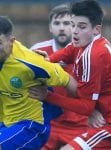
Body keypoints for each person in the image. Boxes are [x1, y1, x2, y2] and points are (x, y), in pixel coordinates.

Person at [0, 16, 77, 150]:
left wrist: (91, 110)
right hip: (8, 124)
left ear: (11, 41)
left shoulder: (31, 63)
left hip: (32, 126)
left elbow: (69, 81)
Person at [29, 0, 111, 149]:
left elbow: (86, 108)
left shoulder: (94, 56)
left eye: (81, 26)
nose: (75, 30)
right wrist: (47, 60)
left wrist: (47, 96)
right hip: (101, 120)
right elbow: (67, 52)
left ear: (96, 30)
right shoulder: (83, 42)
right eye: (73, 24)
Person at [31, 4, 88, 150]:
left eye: (67, 23)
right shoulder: (38, 51)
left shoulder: (89, 53)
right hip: (48, 123)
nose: (61, 28)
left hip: (80, 125)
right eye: (57, 23)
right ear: (50, 28)